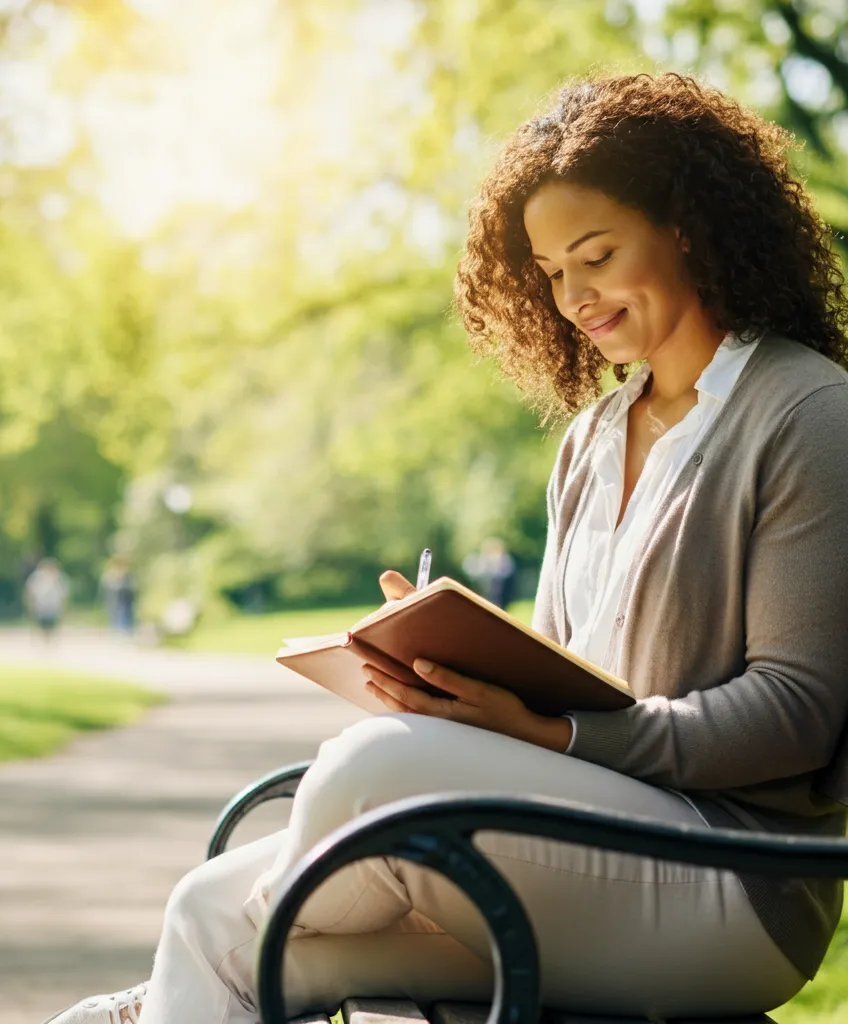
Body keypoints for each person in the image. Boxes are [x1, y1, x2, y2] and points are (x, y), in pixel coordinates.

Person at [43, 72, 848, 1024]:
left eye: (595, 254)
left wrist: (548, 735)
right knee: (204, 912)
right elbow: (574, 682)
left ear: (686, 225)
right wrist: (452, 676)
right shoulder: (592, 440)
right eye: (551, 272)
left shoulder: (808, 412)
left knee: (369, 772)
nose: (573, 296)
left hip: (736, 881)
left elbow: (797, 712)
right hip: (589, 842)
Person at [463, 536, 516, 609]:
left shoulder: (504, 559)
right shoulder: (485, 559)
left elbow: (507, 572)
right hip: (490, 587)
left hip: (501, 587)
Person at [24, 557, 70, 640]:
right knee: (42, 626)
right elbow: (30, 593)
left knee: (51, 626)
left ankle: (48, 640)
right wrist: (31, 605)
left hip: (53, 607)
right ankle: (44, 639)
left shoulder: (59, 578)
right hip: (41, 607)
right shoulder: (36, 578)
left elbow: (64, 595)